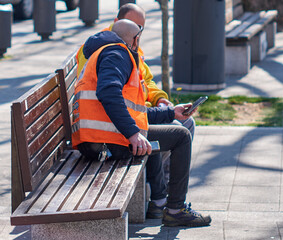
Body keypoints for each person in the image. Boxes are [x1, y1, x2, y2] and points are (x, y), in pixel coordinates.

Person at [72, 19, 211, 227]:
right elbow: (108, 93)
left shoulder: (106, 53)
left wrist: (170, 113)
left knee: (151, 134)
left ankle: (160, 201)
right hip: (102, 143)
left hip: (96, 139)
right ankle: (175, 210)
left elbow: (133, 111)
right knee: (181, 136)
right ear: (135, 40)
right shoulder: (116, 54)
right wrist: (132, 134)